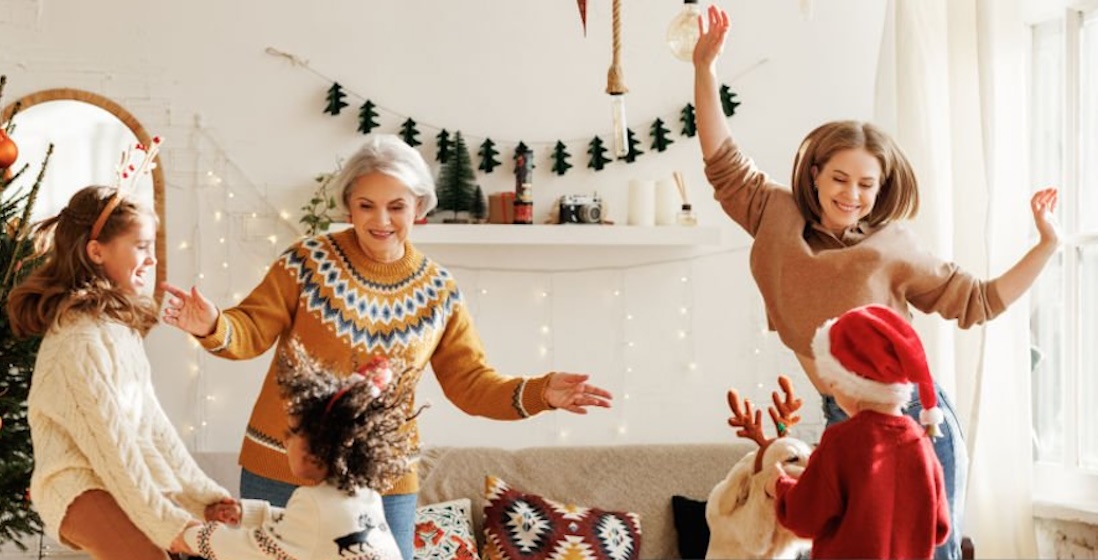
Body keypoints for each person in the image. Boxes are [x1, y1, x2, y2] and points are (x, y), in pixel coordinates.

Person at [692, 5, 1060, 559]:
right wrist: (705, 69)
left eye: (867, 183)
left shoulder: (894, 245)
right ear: (814, 174)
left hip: (914, 419)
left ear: (881, 186)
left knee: (927, 550)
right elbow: (721, 160)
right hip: (842, 414)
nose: (852, 194)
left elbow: (979, 301)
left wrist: (1046, 245)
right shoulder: (773, 214)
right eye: (839, 178)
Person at [160, 133, 614, 560]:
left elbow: (471, 384)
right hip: (283, 466)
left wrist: (541, 392)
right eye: (366, 205)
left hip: (384, 482)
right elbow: (250, 330)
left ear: (419, 207)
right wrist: (214, 325)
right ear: (348, 207)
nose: (380, 220)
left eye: (396, 206)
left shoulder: (438, 290)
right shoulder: (306, 262)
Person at [6, 183, 234, 560]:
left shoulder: (119, 329)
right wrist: (169, 524)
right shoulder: (79, 340)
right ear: (96, 251)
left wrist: (205, 497)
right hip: (76, 484)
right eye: (141, 246)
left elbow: (154, 426)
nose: (152, 259)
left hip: (118, 475)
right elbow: (111, 447)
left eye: (152, 246)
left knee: (197, 549)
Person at [176, 339, 413, 559]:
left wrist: (191, 537)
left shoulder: (312, 502)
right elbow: (304, 528)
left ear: (318, 449)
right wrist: (248, 514)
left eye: (292, 435)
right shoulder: (365, 496)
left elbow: (255, 549)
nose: (284, 442)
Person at [768, 304, 951, 559]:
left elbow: (805, 517)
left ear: (849, 384)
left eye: (832, 381)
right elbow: (940, 529)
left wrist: (780, 487)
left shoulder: (841, 442)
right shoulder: (921, 444)